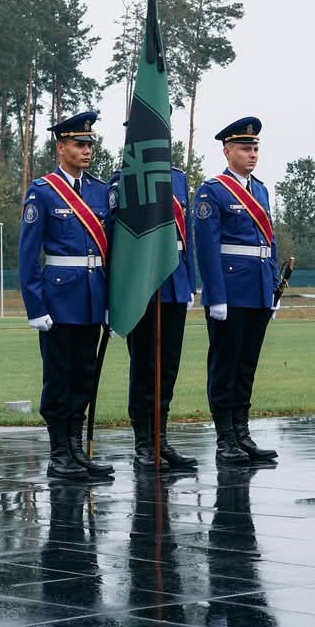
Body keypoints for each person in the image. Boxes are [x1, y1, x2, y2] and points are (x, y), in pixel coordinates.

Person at [19, 111, 113, 482]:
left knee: (84, 376)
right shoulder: (42, 192)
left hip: (92, 295)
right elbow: (28, 255)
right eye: (79, 144)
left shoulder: (100, 190)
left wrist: (110, 301)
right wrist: (35, 305)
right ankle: (59, 453)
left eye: (90, 143)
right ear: (61, 147)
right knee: (58, 377)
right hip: (58, 298)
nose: (87, 150)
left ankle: (76, 449)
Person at [192, 117, 280, 466]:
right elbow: (207, 248)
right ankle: (225, 437)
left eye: (255, 148)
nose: (252, 154)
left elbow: (269, 243)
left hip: (257, 288)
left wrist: (272, 289)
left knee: (247, 365)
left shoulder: (260, 190)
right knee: (225, 366)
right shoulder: (212, 190)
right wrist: (215, 296)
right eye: (245, 148)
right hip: (230, 290)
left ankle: (242, 434)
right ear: (227, 151)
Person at [125, 163, 198, 476]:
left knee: (167, 368)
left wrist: (191, 281)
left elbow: (188, 236)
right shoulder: (126, 178)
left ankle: (161, 439)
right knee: (144, 368)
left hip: (174, 282)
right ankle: (143, 443)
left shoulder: (178, 178)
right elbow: (120, 236)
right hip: (143, 285)